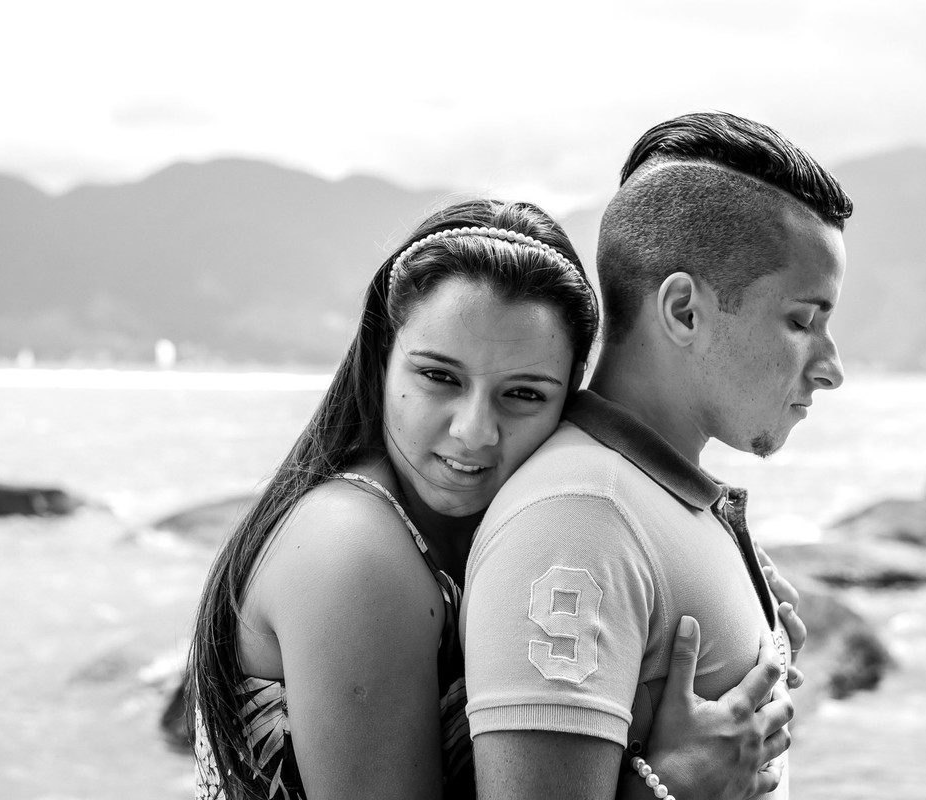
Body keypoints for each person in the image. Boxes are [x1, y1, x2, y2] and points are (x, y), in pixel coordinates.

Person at [187, 197, 802, 800]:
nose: (475, 431)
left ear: (569, 399)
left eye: (524, 394)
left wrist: (746, 627)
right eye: (439, 377)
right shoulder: (352, 549)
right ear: (381, 361)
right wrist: (675, 786)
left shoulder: (505, 533)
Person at [462, 110, 853, 800]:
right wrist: (679, 787)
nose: (831, 368)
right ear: (683, 311)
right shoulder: (579, 519)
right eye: (801, 320)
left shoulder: (647, 498)